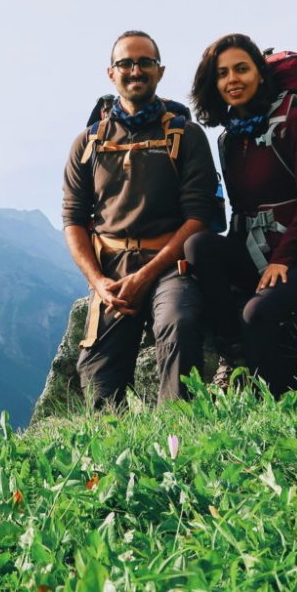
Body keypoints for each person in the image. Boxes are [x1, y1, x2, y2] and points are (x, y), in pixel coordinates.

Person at [62, 30, 219, 409]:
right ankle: (110, 452)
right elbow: (74, 220)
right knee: (98, 371)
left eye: (144, 62)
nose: (136, 70)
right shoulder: (89, 142)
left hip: (170, 266)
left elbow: (200, 217)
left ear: (159, 71)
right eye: (126, 63)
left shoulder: (186, 135)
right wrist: (99, 282)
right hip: (112, 273)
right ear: (111, 73)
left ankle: (180, 433)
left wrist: (144, 276)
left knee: (178, 325)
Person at [184, 33, 297, 397]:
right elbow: (242, 213)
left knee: (256, 314)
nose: (232, 80)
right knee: (198, 246)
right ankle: (232, 352)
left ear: (259, 73)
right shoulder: (228, 139)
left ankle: (279, 404)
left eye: (242, 69)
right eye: (222, 73)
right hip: (258, 255)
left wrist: (282, 259)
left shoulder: (293, 119)